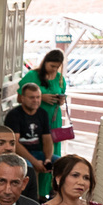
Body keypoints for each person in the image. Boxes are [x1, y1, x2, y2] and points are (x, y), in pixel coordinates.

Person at [19, 49, 68, 193]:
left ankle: (47, 190)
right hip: (34, 121)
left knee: (51, 153)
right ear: (45, 62)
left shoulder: (60, 78)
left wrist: (60, 100)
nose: (54, 69)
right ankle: (34, 191)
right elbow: (19, 97)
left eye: (57, 66)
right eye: (52, 65)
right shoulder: (33, 75)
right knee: (36, 151)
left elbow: (62, 95)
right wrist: (43, 97)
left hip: (53, 120)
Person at [5, 83, 54, 195]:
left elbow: (47, 139)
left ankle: (56, 200)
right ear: (22, 98)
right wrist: (35, 162)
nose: (36, 100)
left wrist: (47, 159)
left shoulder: (43, 113)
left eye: (38, 97)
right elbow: (15, 144)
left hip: (38, 153)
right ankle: (34, 201)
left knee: (63, 164)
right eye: (32, 97)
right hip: (20, 155)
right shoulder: (14, 115)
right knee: (30, 169)